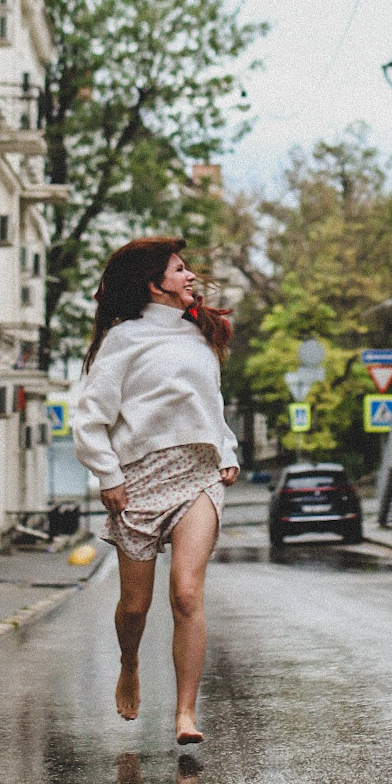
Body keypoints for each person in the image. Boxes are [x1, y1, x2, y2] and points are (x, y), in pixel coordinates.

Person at [72, 237, 238, 744]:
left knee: (187, 594)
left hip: (197, 476)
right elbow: (89, 420)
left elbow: (210, 406)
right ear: (153, 284)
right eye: (180, 269)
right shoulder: (123, 341)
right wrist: (109, 476)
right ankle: (129, 664)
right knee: (135, 608)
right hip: (137, 483)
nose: (191, 277)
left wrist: (225, 451)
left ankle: (186, 713)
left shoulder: (198, 339)